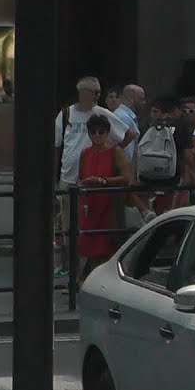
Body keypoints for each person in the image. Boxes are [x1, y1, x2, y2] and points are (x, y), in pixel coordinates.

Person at [54, 76, 136, 277]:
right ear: (82, 93)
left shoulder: (102, 113)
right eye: (95, 92)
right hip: (70, 175)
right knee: (68, 226)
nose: (99, 96)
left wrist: (110, 153)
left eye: (100, 92)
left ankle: (88, 271)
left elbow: (129, 134)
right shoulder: (66, 114)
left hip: (97, 179)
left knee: (97, 227)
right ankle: (71, 269)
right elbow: (57, 146)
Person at [74, 114, 135, 282]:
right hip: (90, 202)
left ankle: (98, 278)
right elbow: (80, 176)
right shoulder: (85, 153)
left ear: (107, 133)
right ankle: (86, 277)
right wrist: (82, 183)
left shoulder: (115, 151)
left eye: (101, 132)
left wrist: (102, 181)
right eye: (93, 132)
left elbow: (126, 178)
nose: (97, 135)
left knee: (106, 241)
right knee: (88, 241)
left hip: (109, 202)